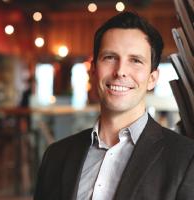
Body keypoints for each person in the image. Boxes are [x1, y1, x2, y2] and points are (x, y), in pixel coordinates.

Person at [34, 12, 194, 200]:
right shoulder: (55, 156)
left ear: (152, 79)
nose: (120, 71)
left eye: (135, 60)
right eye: (110, 57)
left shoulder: (186, 159)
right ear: (94, 70)